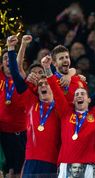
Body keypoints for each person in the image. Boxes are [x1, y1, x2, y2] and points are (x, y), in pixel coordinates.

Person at [7, 35, 60, 177]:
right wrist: (11, 49)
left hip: (52, 162)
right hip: (31, 160)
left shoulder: (61, 107)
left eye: (46, 83)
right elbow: (16, 74)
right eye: (40, 84)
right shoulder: (32, 102)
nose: (43, 85)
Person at [0, 37, 27, 177]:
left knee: (18, 170)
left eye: (10, 58)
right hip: (3, 131)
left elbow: (19, 63)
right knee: (6, 170)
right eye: (5, 58)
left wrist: (22, 45)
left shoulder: (21, 77)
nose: (8, 60)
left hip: (20, 131)